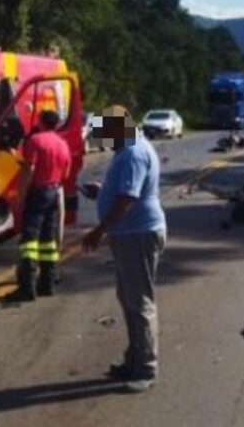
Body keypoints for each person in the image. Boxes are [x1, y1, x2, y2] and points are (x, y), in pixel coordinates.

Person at [81, 105, 166, 393]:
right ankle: (134, 359)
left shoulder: (133, 153)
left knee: (139, 301)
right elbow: (124, 191)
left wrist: (98, 231)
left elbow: (127, 200)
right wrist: (102, 189)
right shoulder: (128, 148)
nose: (103, 140)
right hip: (130, 233)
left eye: (106, 133)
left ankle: (145, 368)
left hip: (138, 233)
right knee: (129, 298)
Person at [14, 110, 72, 301]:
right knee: (48, 239)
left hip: (38, 192)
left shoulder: (35, 140)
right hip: (54, 192)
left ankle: (27, 287)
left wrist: (21, 196)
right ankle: (47, 284)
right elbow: (65, 173)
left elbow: (30, 168)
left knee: (30, 239)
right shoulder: (63, 144)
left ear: (41, 122)